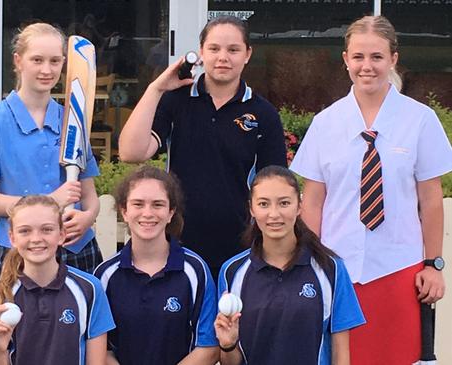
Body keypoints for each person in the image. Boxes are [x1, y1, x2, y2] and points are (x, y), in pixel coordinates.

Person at [290, 15, 452, 364]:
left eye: (377, 57)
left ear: (393, 59)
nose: (367, 66)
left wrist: (433, 264)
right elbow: (313, 202)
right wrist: (306, 266)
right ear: (345, 59)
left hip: (399, 271)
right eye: (359, 57)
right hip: (337, 270)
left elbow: (431, 200)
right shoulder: (325, 124)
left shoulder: (420, 120)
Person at [118, 16, 287, 277]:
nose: (223, 57)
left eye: (233, 50)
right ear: (201, 52)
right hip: (178, 245)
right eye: (214, 49)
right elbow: (131, 152)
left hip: (238, 249)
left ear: (247, 54)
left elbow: (274, 184)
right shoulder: (177, 101)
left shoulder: (262, 113)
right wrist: (156, 88)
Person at [0, 22, 102, 278]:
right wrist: (51, 202)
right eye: (37, 60)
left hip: (75, 247)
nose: (46, 70)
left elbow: (89, 196)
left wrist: (88, 217)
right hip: (20, 249)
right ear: (18, 61)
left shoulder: (73, 119)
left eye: (55, 61)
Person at [215, 166, 365, 365]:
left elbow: (340, 352)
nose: (274, 214)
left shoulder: (331, 268)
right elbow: (231, 362)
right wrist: (228, 344)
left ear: (299, 206)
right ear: (251, 208)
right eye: (263, 204)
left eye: (284, 203)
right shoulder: (232, 272)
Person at [94, 166, 219, 365]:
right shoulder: (105, 276)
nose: (148, 213)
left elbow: (209, 348)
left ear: (171, 212)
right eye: (138, 204)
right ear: (124, 211)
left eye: (158, 204)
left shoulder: (195, 271)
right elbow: (102, 350)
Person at [0, 195, 114, 365]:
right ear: (12, 238)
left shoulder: (90, 289)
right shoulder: (0, 295)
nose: (36, 239)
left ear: (61, 235)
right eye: (25, 231)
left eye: (46, 229)